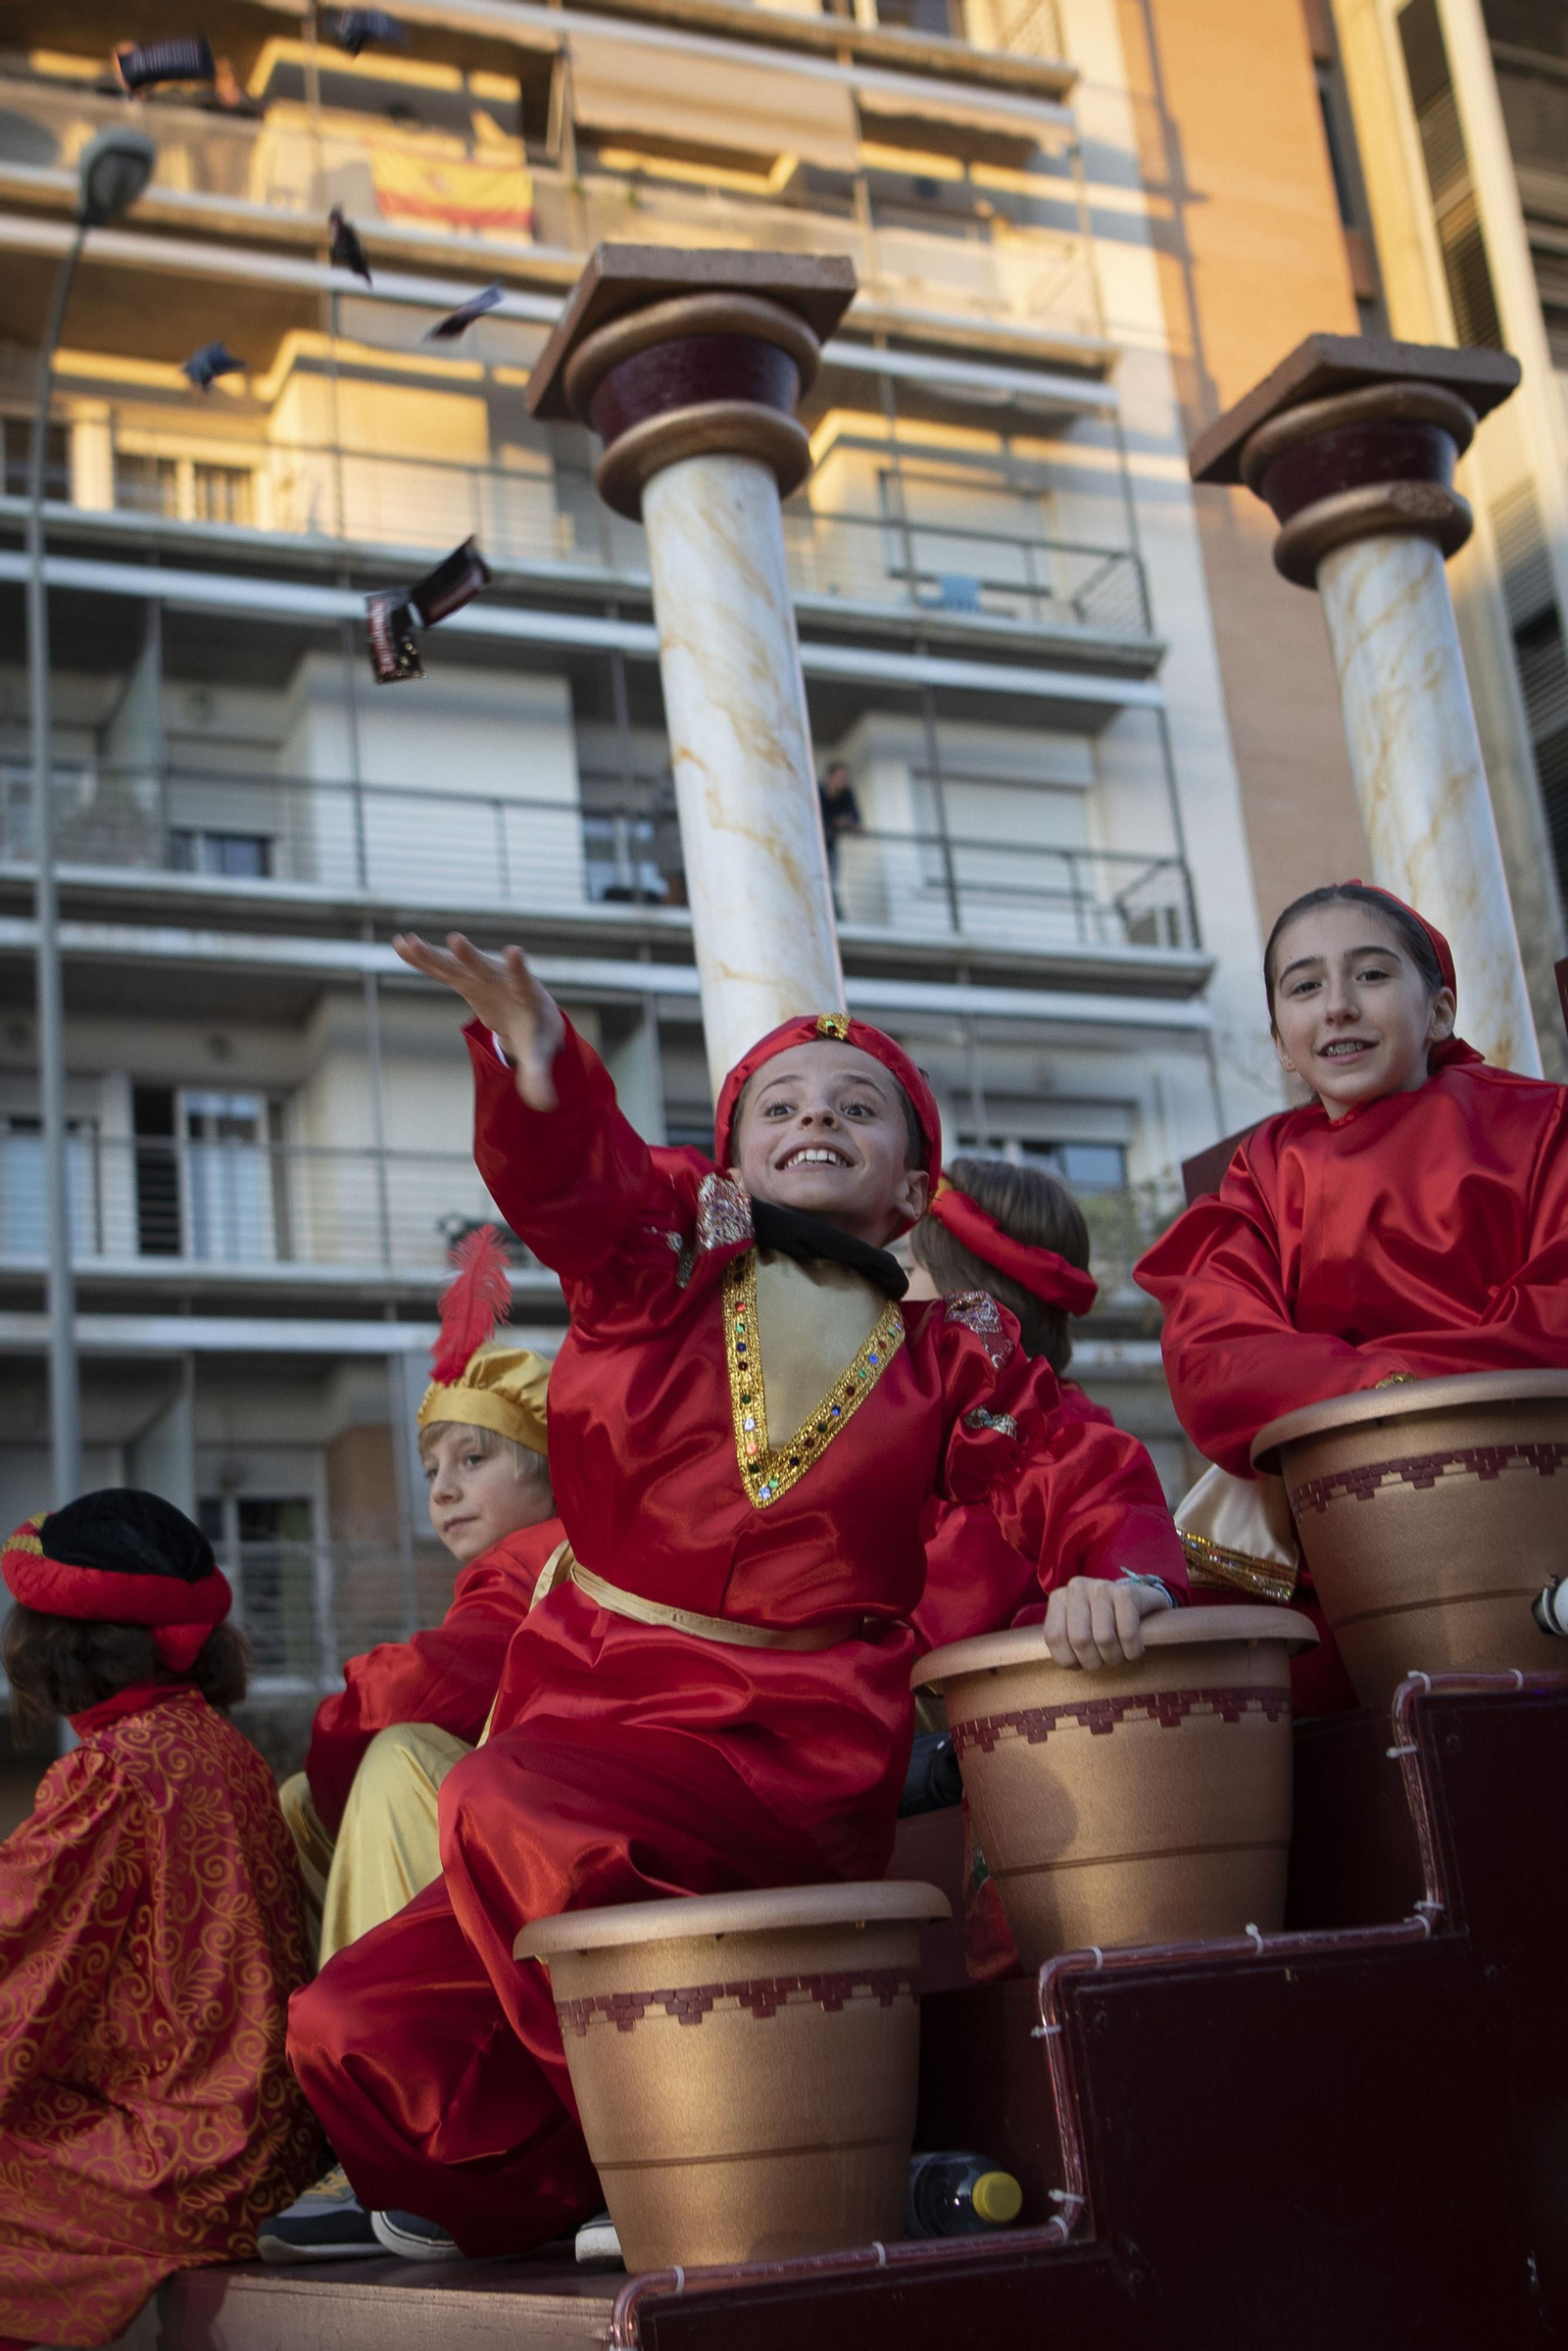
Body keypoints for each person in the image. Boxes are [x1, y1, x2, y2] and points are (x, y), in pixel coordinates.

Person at [283, 935, 1187, 2261]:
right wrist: (537, 1058)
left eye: (857, 1106)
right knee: (349, 2028)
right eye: (782, 1104)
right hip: (584, 1727)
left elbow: (1076, 1469)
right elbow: (578, 1181)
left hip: (781, 1753)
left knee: (500, 1797)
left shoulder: (952, 1355)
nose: (817, 1116)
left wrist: (1117, 1574)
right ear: (728, 1159)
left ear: (914, 1187)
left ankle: (673, 2150)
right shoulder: (654, 1271)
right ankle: (603, 2180)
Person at [1136, 879, 1568, 1704]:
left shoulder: (1543, 1125)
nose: (1337, 1005)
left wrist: (1402, 1390)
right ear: (1280, 1041)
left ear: (1440, 1010)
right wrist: (1377, 1389)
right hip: (1330, 1542)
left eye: (1370, 974)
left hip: (1534, 1497)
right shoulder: (1262, 1172)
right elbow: (1216, 1355)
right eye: (1305, 986)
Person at [0, 1493, 319, 2349]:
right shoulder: (224, 1747)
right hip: (266, 2153)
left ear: (58, 1645)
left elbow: (16, 1941)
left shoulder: (113, 1770)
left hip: (191, 2164)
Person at [904, 1156, 1118, 1981]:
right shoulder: (924, 1431)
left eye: (913, 1266)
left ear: (972, 1300)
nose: (893, 1286)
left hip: (1013, 1786)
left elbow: (935, 1620)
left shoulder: (1049, 1441)